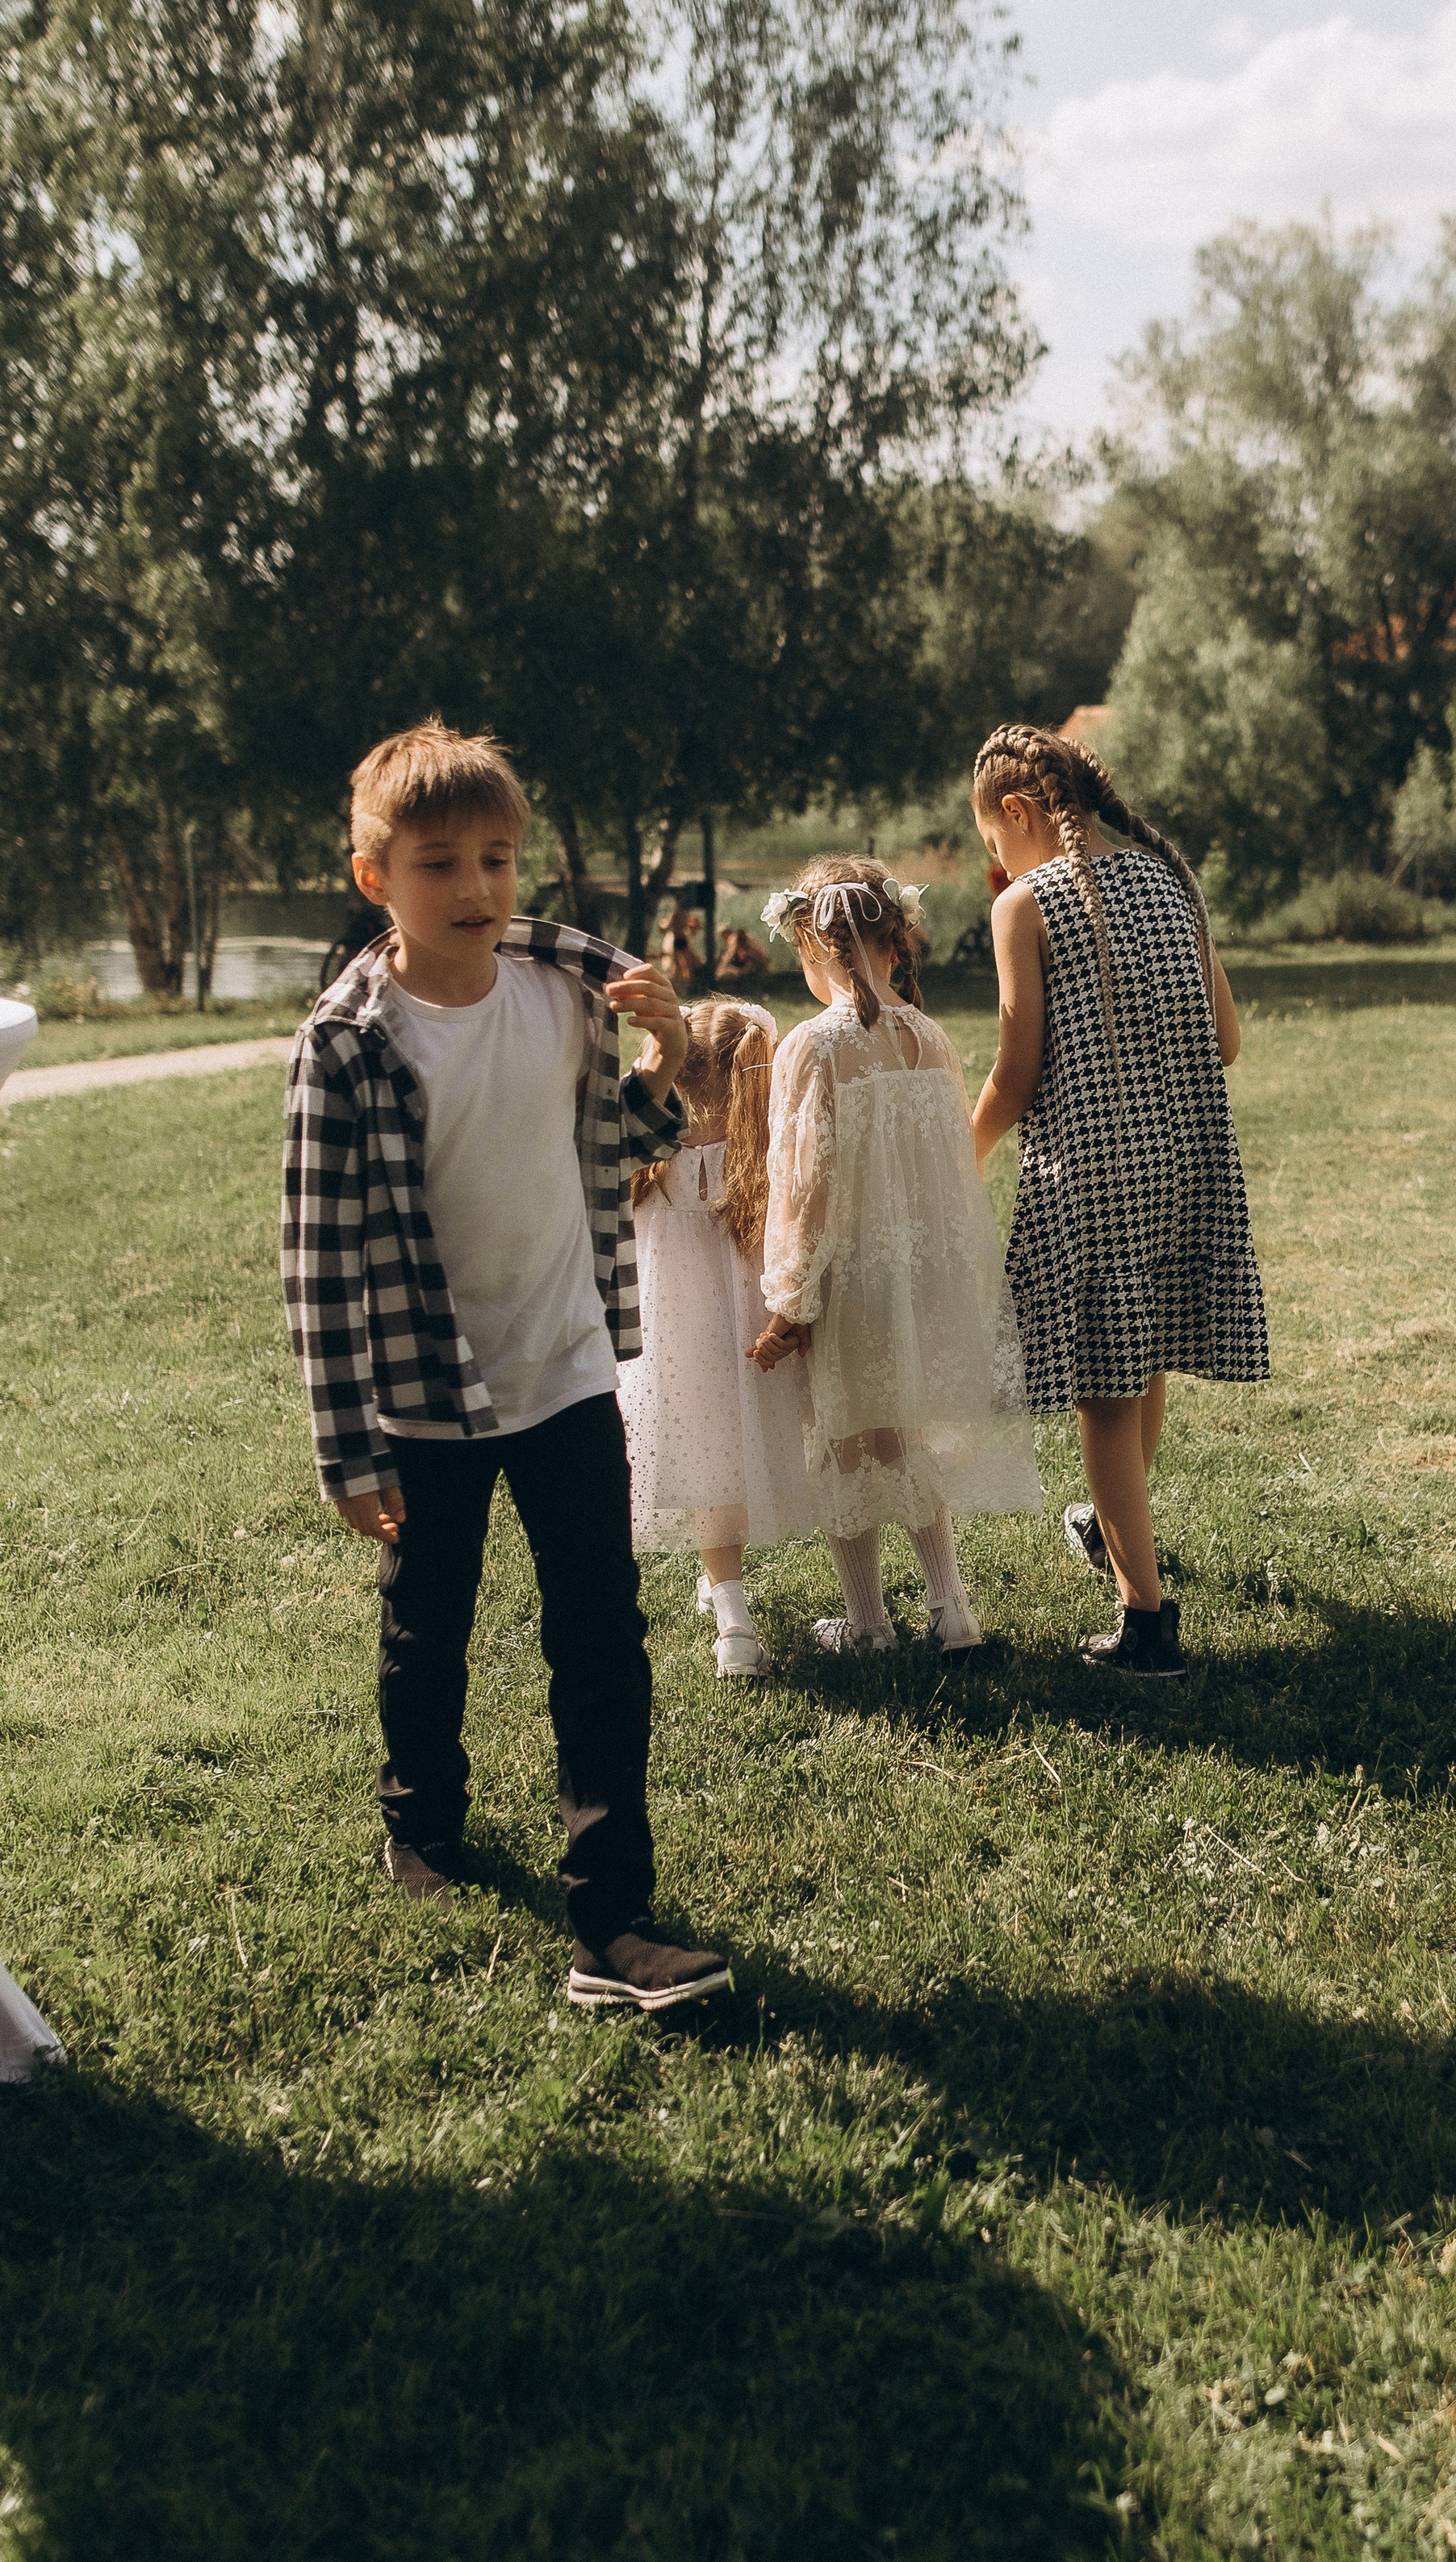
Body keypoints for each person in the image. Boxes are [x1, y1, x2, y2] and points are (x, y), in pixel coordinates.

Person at [280, 717, 730, 2012]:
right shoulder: (348, 1042)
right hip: (427, 1392)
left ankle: (613, 1920)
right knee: (430, 1620)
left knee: (602, 1634)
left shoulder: (562, 992)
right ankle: (420, 1821)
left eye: (494, 859)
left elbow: (617, 1140)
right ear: (375, 877)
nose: (474, 887)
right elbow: (316, 1262)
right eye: (438, 865)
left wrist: (667, 1061)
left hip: (567, 1366)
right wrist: (347, 1448)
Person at [968, 722, 1267, 1677]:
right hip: (1184, 1160)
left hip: (1091, 1173)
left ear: (1017, 811)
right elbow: (1226, 1040)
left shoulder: (1027, 904)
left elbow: (1016, 1073)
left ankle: (1145, 1620)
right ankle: (1111, 1529)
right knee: (1144, 1358)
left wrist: (961, 1151)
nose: (997, 861)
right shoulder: (1171, 881)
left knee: (1103, 1390)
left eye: (992, 842)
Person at [751, 858, 1038, 1652]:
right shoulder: (929, 1037)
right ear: (895, 937)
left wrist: (790, 1298)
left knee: (842, 1439)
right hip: (923, 1268)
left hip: (850, 1274)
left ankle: (869, 1622)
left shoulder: (813, 1046)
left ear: (811, 944)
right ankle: (951, 1607)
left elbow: (803, 1185)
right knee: (903, 1432)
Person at [618, 997, 817, 1677]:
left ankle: (733, 1621)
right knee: (738, 1458)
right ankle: (727, 1607)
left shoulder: (649, 1157)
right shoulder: (762, 1152)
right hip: (757, 1330)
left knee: (709, 1468)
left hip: (673, 1339)